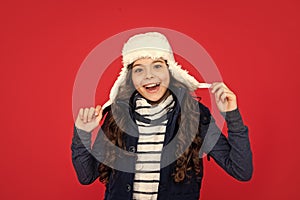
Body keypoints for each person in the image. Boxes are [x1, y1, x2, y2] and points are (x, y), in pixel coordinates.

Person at [71, 32, 253, 200]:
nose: (149, 75)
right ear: (130, 78)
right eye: (139, 69)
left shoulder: (195, 114)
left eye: (157, 66)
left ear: (170, 71)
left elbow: (241, 170)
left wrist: (232, 115)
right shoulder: (116, 116)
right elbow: (86, 176)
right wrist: (82, 133)